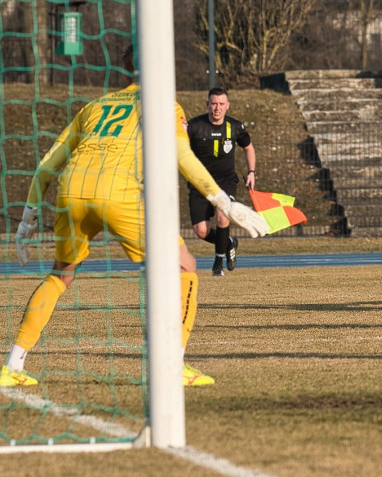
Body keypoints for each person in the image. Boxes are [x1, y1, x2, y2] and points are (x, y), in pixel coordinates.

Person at [1, 45, 269, 388]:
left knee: (60, 276)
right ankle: (173, 363)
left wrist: (29, 215)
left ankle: (13, 363)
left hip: (72, 191)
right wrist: (225, 203)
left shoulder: (94, 106)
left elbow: (46, 165)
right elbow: (183, 157)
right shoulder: (164, 106)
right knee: (184, 266)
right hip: (119, 193)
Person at [186, 87, 257, 276]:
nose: (217, 108)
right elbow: (179, 147)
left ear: (227, 106)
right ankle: (229, 243)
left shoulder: (235, 127)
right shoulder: (194, 126)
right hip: (199, 182)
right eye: (214, 103)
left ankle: (218, 262)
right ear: (207, 105)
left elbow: (248, 148)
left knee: (222, 216)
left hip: (225, 181)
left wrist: (251, 172)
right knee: (201, 230)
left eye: (221, 104)